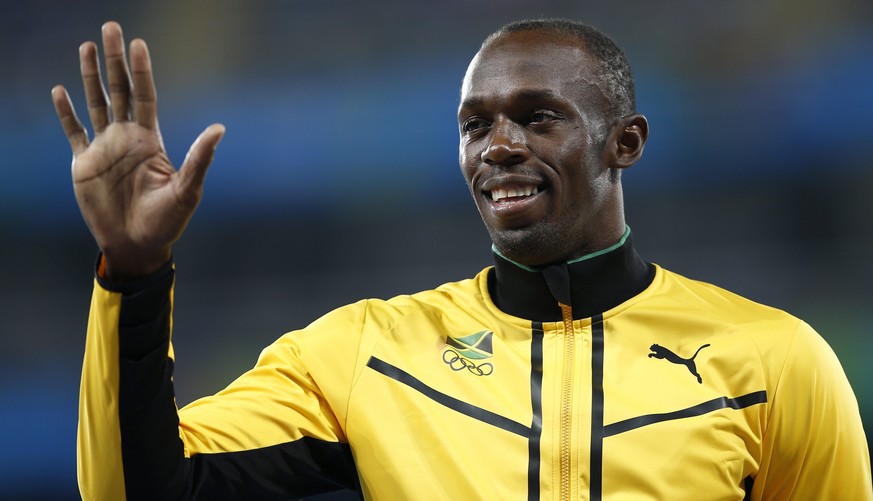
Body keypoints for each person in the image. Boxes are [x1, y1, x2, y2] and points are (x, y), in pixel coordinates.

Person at [52, 18, 871, 501]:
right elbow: (133, 489)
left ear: (625, 141)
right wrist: (133, 272)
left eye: (537, 116)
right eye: (475, 125)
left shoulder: (774, 359)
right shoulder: (364, 353)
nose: (500, 147)